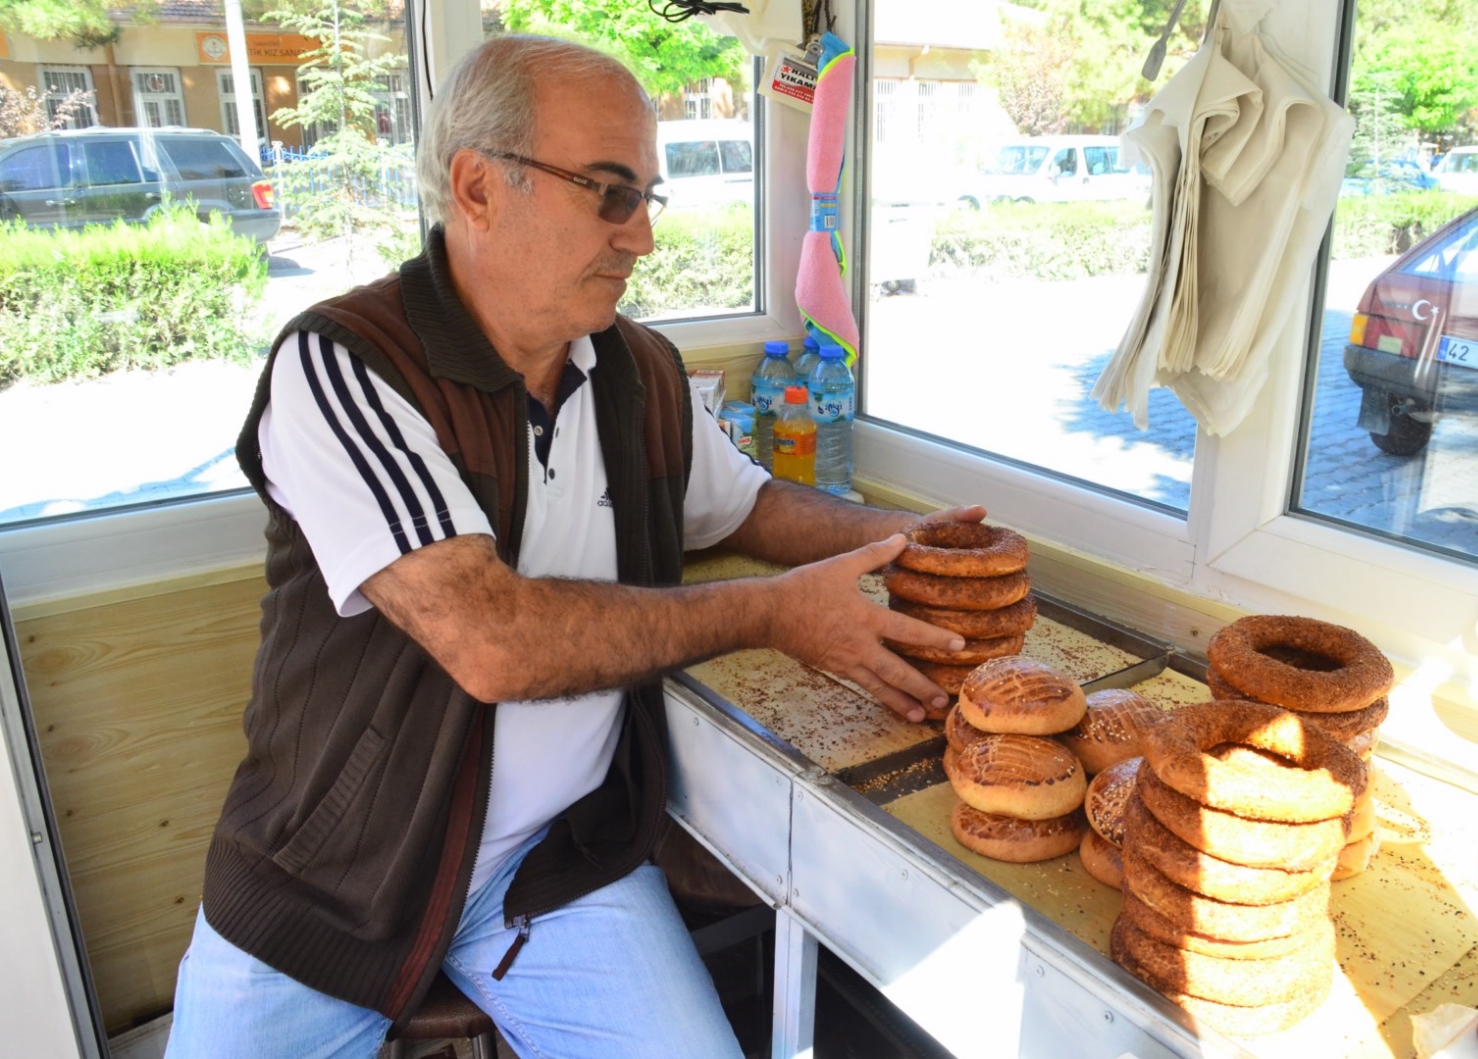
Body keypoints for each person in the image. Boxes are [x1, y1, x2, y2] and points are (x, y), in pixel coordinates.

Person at [165, 34, 982, 1059]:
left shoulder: (635, 370)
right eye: (607, 193)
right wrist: (779, 612)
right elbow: (490, 639)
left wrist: (900, 539)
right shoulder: (345, 367)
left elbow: (742, 509)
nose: (639, 236)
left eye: (648, 197)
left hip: (553, 872)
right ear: (476, 187)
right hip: (332, 888)